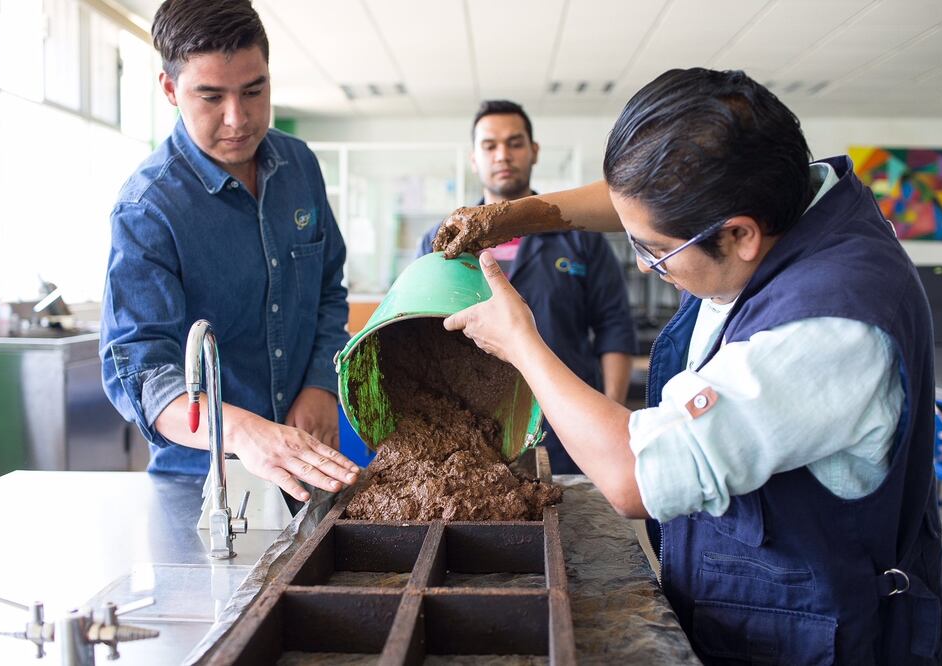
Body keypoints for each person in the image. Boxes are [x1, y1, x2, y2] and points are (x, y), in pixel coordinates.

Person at [436, 68, 942, 664]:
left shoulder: (828, 332)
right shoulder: (787, 193)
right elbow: (639, 202)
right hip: (746, 603)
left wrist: (522, 343)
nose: (649, 267)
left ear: (739, 236)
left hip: (816, 633)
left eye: (655, 252)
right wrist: (512, 217)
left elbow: (633, 477)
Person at [100, 0, 358, 502]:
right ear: (171, 90)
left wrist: (322, 383)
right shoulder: (147, 209)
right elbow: (143, 373)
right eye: (211, 96)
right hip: (202, 484)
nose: (238, 118)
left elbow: (328, 288)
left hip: (306, 465)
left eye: (254, 91)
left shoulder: (299, 165)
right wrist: (239, 431)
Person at [416, 100, 637, 474]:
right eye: (490, 146)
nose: (503, 155)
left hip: (567, 421)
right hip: (472, 425)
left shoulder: (580, 236)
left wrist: (608, 415)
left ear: (533, 152)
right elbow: (417, 332)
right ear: (474, 158)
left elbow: (614, 327)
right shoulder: (440, 242)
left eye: (515, 143)